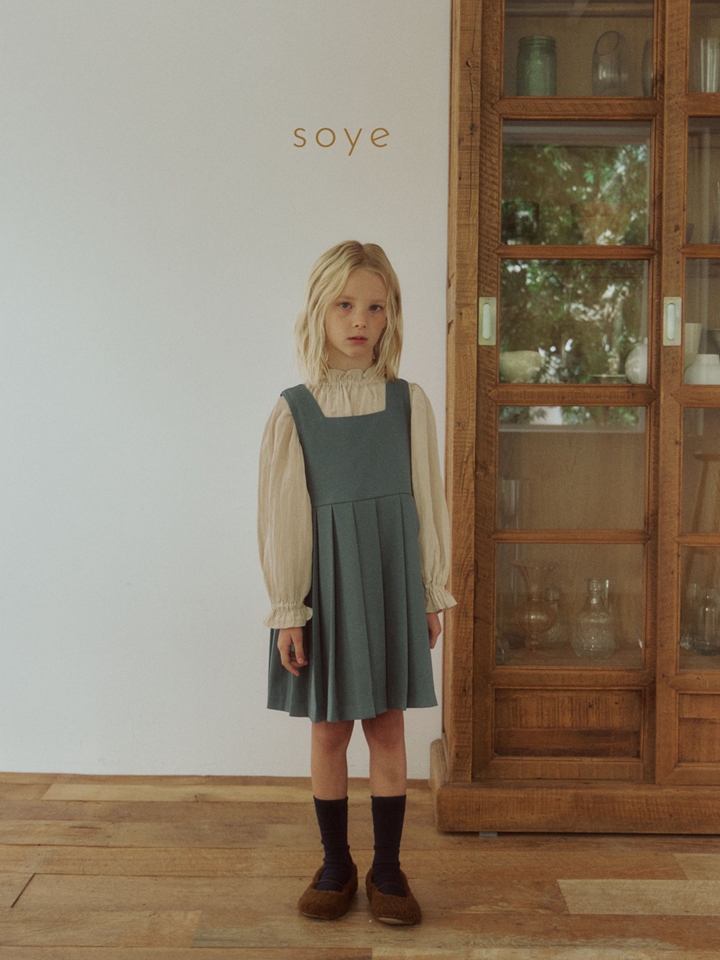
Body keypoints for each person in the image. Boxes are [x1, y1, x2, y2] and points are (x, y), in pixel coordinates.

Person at [258, 240, 455, 925]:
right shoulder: (295, 410)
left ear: (390, 314)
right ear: (319, 310)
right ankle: (335, 863)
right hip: (329, 591)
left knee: (389, 726)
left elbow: (428, 502)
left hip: (391, 581)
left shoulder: (409, 403)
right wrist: (289, 608)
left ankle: (389, 869)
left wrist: (430, 592)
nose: (360, 320)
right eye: (345, 304)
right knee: (329, 732)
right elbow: (283, 517)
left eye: (375, 307)